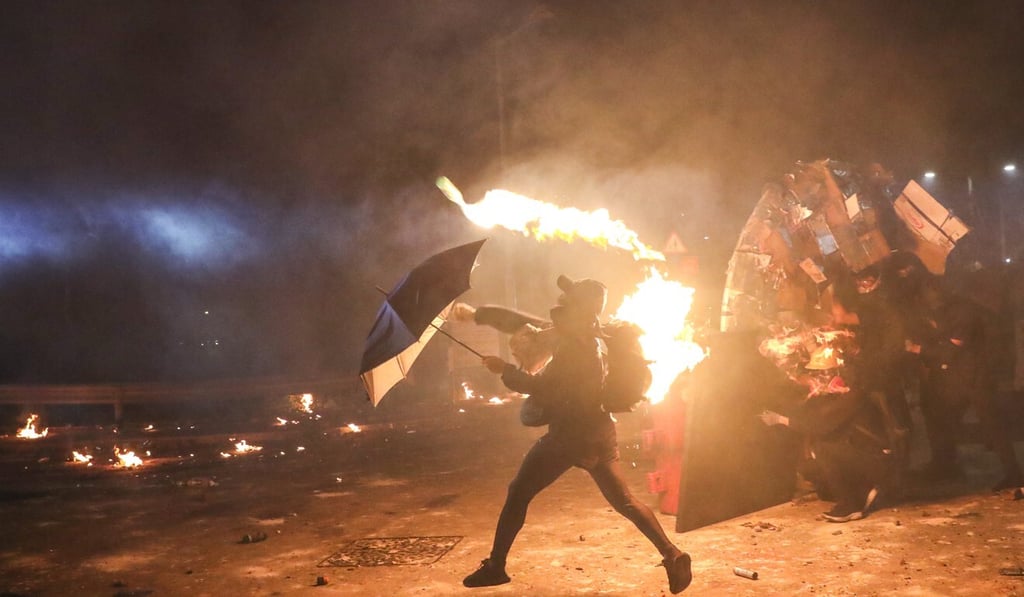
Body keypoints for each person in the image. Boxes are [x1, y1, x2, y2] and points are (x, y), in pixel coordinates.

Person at [462, 275, 693, 594]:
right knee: (624, 501)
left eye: (568, 304)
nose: (562, 310)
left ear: (577, 310)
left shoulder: (575, 348)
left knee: (518, 492)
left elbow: (540, 386)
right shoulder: (595, 338)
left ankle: (496, 566)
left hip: (569, 437)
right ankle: (673, 554)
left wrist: (504, 369)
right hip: (600, 430)